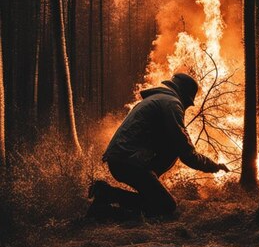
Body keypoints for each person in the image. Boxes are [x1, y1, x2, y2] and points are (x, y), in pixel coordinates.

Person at [87, 72, 229, 219]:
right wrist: (214, 166)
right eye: (187, 102)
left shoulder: (158, 99)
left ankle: (107, 194)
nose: (186, 106)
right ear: (184, 95)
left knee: (155, 199)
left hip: (123, 159)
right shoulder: (171, 104)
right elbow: (186, 153)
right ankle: (105, 212)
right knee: (166, 206)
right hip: (129, 161)